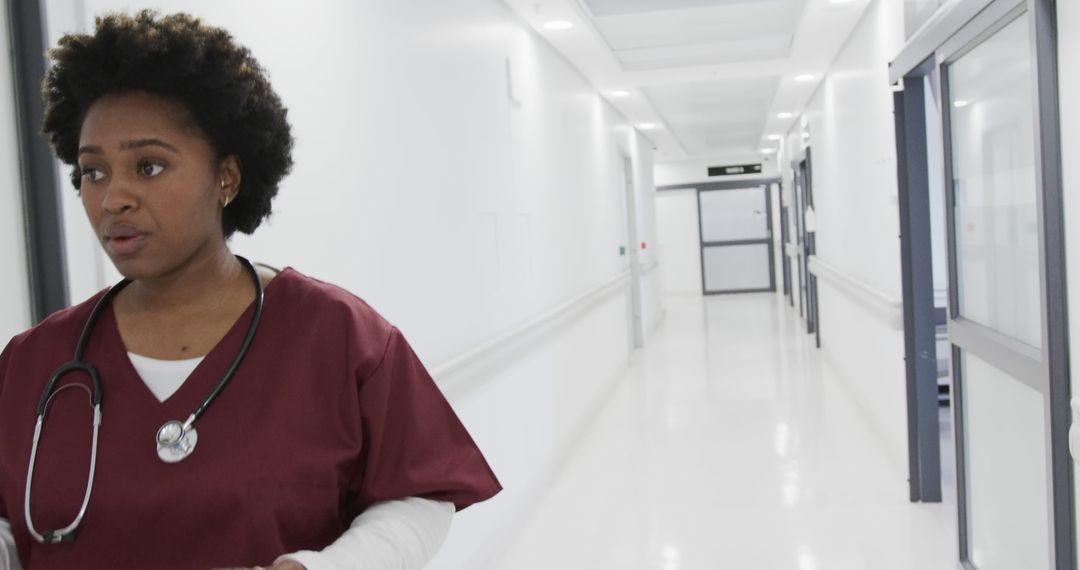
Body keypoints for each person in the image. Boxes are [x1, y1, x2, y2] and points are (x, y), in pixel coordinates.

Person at [0, 10, 500, 570]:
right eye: (93, 172)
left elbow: (418, 496)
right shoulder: (32, 362)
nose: (113, 198)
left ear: (227, 178)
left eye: (149, 166)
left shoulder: (336, 336)